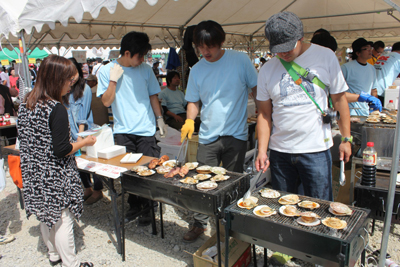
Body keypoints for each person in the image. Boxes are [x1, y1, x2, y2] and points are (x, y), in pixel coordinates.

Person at [256, 11, 352, 202]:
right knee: (283, 206)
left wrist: (346, 138)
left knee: (320, 206)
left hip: (315, 150)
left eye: (288, 47)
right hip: (280, 152)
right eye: (278, 49)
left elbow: (340, 100)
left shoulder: (325, 57)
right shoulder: (267, 69)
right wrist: (262, 150)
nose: (284, 53)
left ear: (300, 37)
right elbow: (265, 115)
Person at [181, 20, 258, 242]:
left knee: (233, 182)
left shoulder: (240, 61)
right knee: (201, 181)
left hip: (236, 135)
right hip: (207, 135)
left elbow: (256, 90)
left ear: (221, 42)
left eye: (210, 46)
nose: (205, 51)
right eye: (200, 47)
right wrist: (189, 121)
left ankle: (231, 224)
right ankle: (199, 223)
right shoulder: (196, 70)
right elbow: (193, 101)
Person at [17, 55, 96, 267]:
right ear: (56, 79)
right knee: (63, 219)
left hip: (34, 172)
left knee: (45, 215)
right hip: (55, 174)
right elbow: (62, 149)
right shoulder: (56, 108)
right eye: (69, 81)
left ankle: (53, 256)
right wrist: (85, 141)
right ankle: (72, 263)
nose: (71, 86)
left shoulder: (26, 103)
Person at [97, 31, 167, 226]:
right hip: (123, 130)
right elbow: (106, 101)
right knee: (128, 172)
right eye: (140, 55)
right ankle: (134, 204)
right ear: (127, 53)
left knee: (148, 170)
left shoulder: (145, 70)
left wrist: (159, 118)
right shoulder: (107, 71)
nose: (142, 59)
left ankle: (148, 207)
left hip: (145, 129)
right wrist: (113, 80)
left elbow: (153, 95)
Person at [64, 58, 103, 205]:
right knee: (78, 163)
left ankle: (98, 190)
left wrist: (80, 138)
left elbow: (83, 116)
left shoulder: (85, 89)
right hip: (70, 133)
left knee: (93, 161)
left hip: (84, 132)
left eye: (73, 73)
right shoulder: (65, 88)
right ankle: (87, 188)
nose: (71, 77)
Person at [341, 38, 380, 116]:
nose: (370, 51)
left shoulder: (371, 68)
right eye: (366, 49)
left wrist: (376, 107)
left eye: (370, 48)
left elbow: (374, 90)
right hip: (350, 111)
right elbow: (338, 93)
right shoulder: (346, 68)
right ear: (358, 53)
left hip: (365, 111)